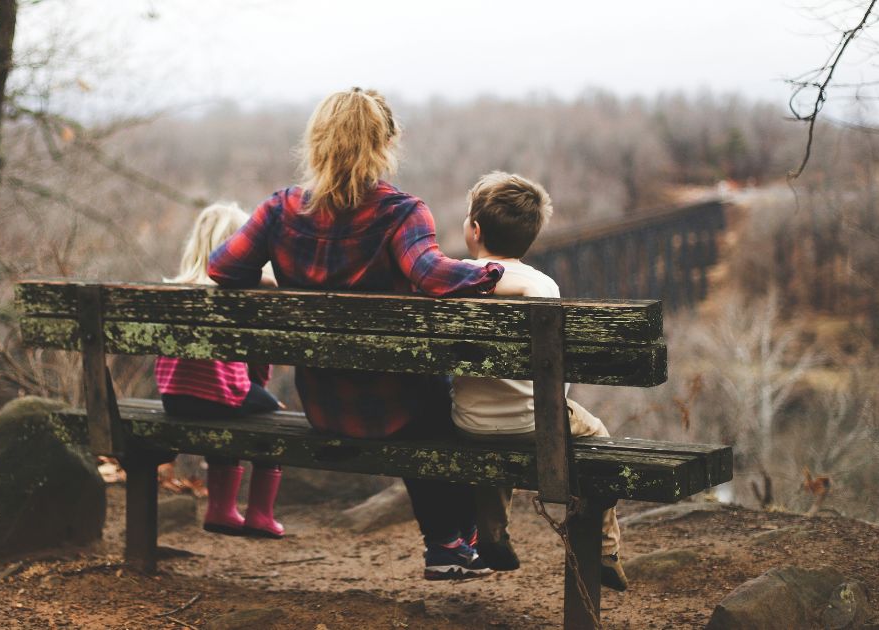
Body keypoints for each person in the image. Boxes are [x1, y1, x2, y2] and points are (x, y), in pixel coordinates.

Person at [208, 88, 504, 580]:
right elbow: (432, 275)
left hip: (325, 406)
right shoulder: (401, 213)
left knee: (426, 396)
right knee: (442, 398)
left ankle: (454, 544)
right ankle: (451, 542)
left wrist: (271, 281)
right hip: (398, 408)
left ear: (317, 142)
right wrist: (492, 272)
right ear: (386, 143)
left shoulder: (279, 210)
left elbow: (222, 268)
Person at [451, 170, 630, 591]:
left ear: (474, 230)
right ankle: (605, 549)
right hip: (537, 423)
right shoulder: (542, 286)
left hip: (469, 423)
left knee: (494, 430)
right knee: (597, 436)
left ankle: (492, 533)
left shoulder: (453, 279)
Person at [155, 202, 286, 539]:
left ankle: (221, 509)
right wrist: (262, 391)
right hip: (219, 395)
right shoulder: (238, 293)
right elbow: (257, 361)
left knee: (228, 407)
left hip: (174, 398)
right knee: (272, 417)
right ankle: (259, 514)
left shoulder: (175, 290)